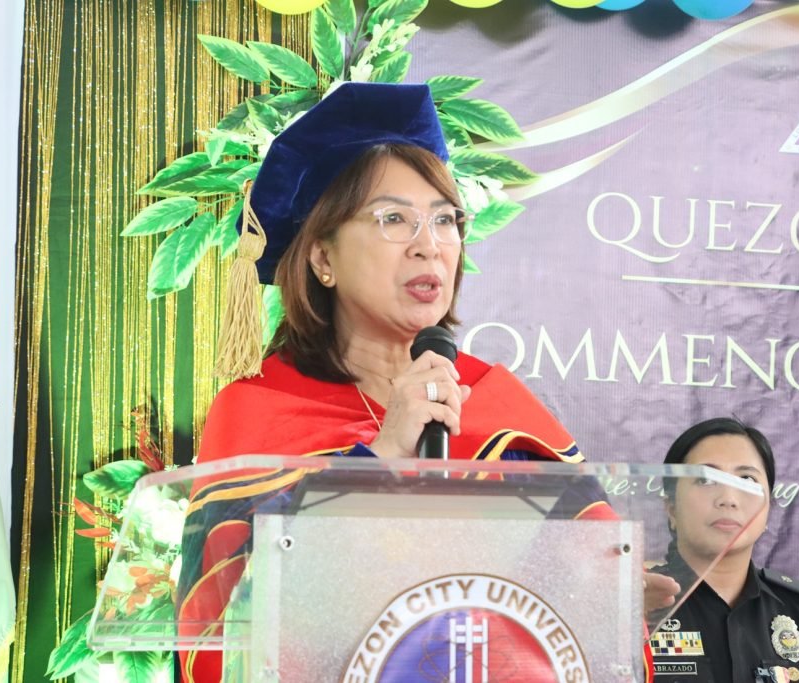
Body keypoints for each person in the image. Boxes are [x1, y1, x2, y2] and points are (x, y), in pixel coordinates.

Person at [176, 82, 640, 683]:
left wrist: (605, 595)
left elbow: (596, 605)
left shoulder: (500, 406)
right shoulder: (259, 411)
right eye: (394, 218)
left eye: (445, 220)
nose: (430, 246)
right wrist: (380, 459)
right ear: (323, 258)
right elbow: (221, 634)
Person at [649, 417, 799, 683]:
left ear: (768, 508)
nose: (728, 498)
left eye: (746, 479)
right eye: (706, 479)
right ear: (671, 508)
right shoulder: (639, 607)